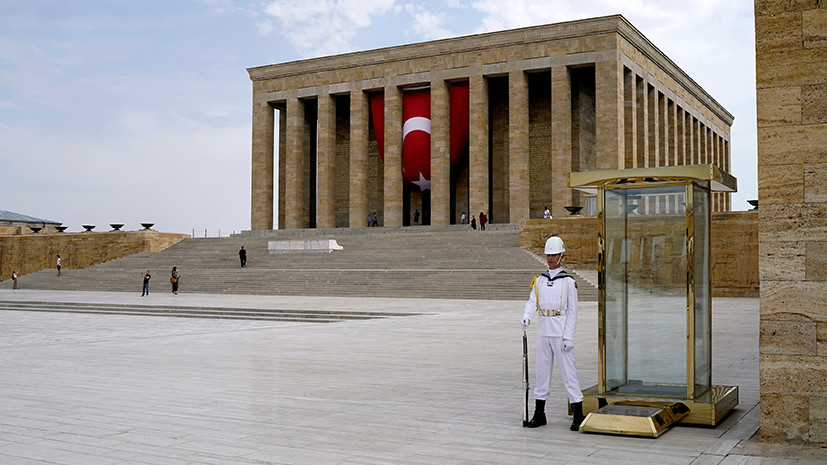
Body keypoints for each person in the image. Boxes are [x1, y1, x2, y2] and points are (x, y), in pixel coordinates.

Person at [520, 236, 585, 431]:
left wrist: (569, 337)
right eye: (548, 254)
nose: (550, 258)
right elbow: (533, 301)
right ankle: (539, 414)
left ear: (561, 256)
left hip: (560, 332)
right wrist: (526, 316)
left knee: (569, 374)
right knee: (542, 374)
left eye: (554, 254)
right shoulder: (539, 280)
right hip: (544, 331)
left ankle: (579, 414)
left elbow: (572, 311)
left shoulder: (568, 282)